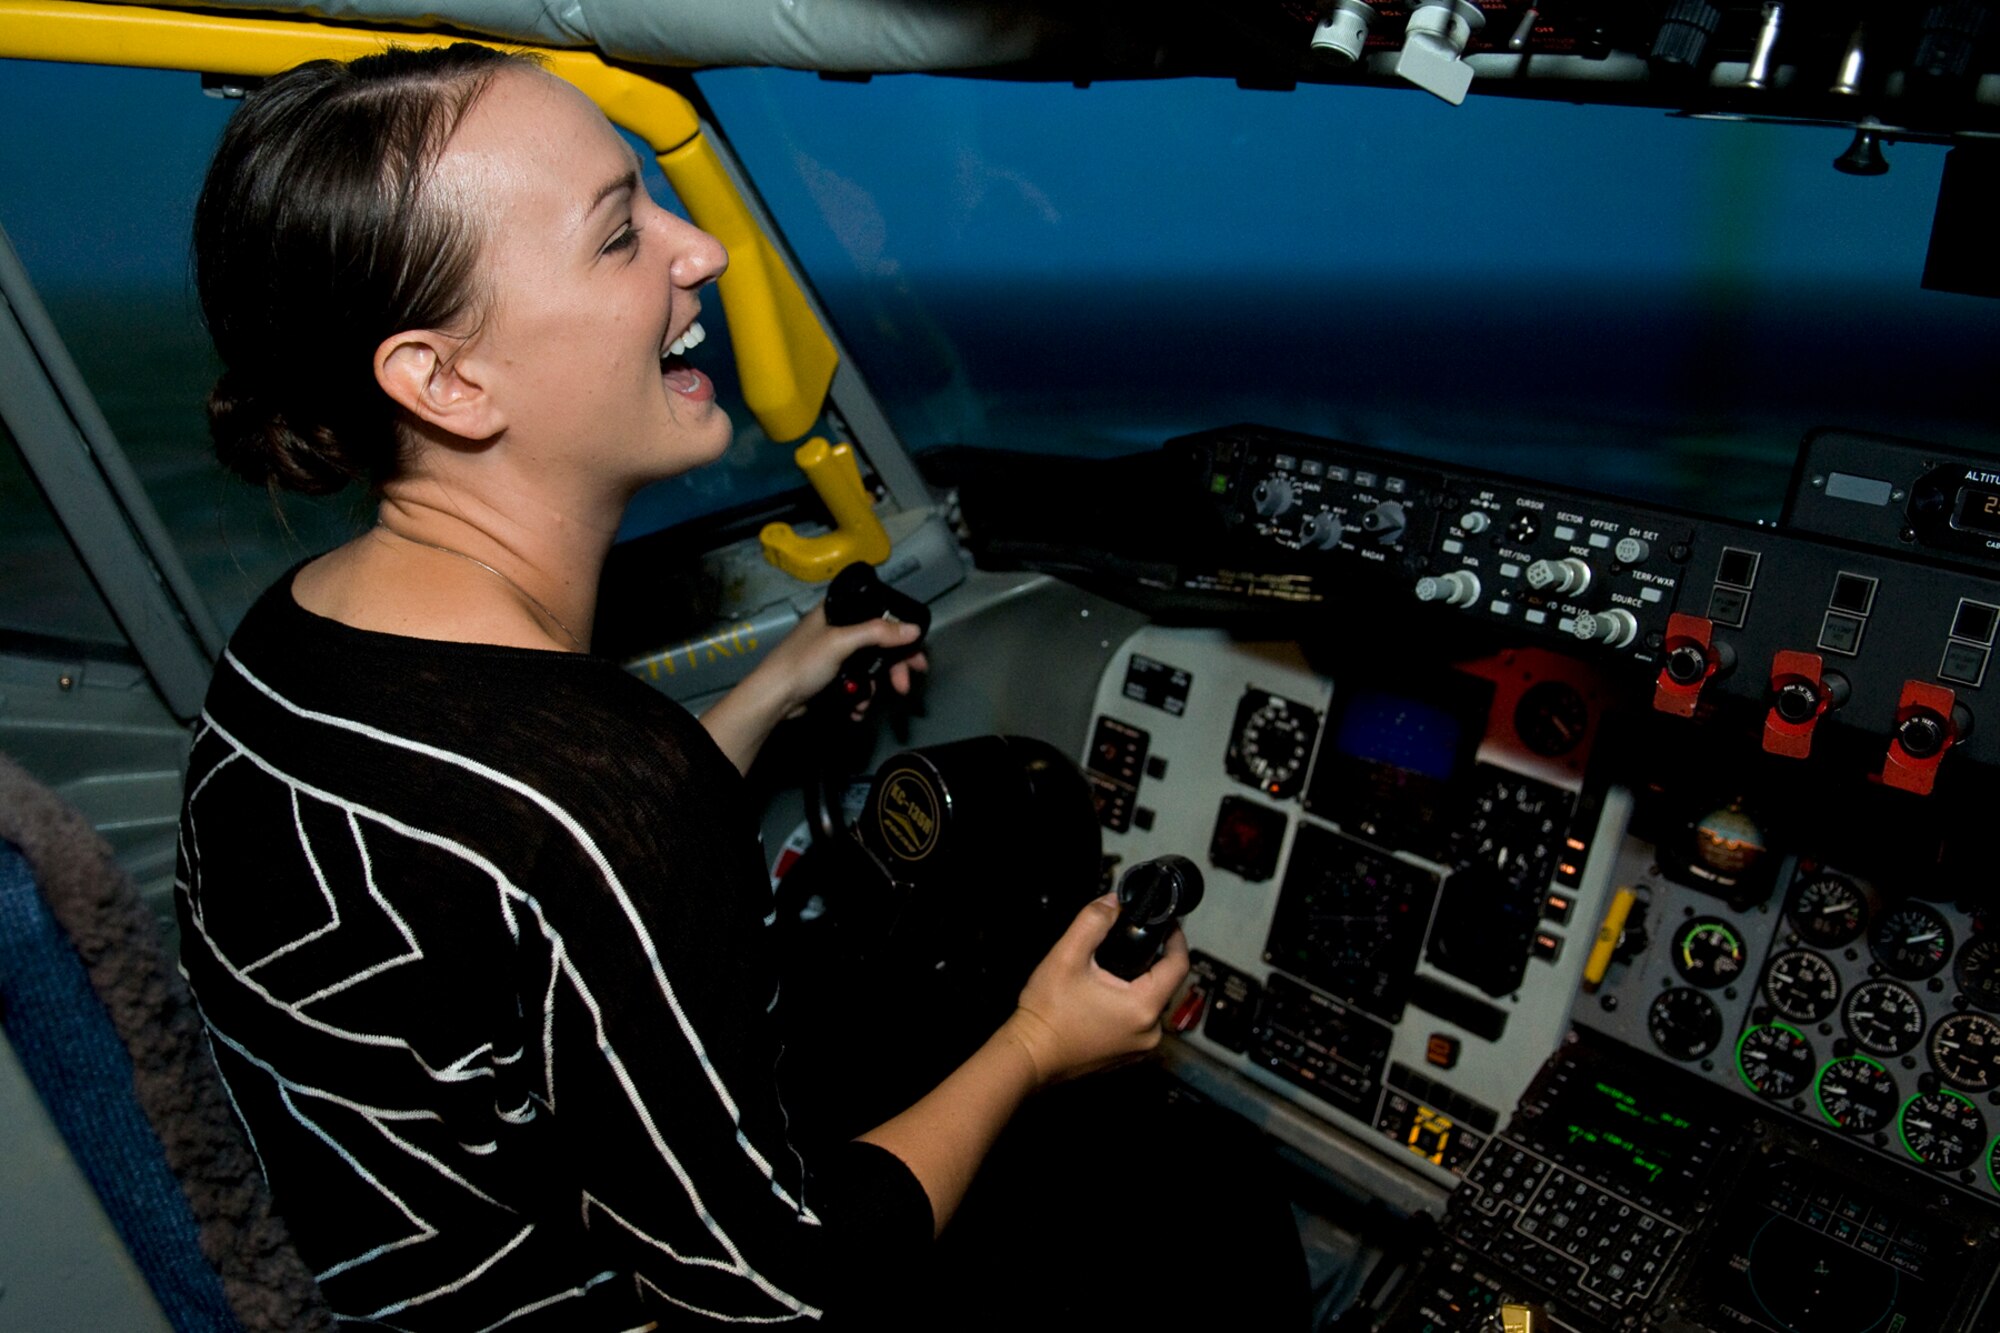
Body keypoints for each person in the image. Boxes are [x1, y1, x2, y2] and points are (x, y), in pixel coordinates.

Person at [177, 44, 1189, 1329]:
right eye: (617, 236)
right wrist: (1042, 1043)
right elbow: (774, 1285)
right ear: (444, 379)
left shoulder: (292, 643)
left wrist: (772, 685)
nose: (698, 248)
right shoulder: (592, 800)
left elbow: (521, 906)